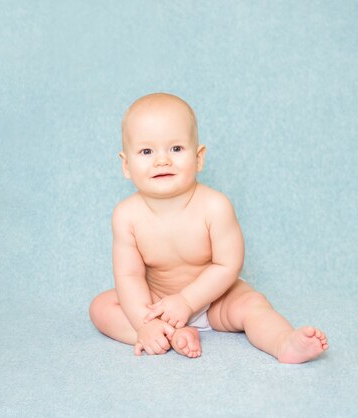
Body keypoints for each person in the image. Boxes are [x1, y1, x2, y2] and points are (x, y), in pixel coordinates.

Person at [89, 93, 328, 363]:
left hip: (215, 299)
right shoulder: (126, 216)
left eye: (176, 149)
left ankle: (283, 342)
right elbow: (129, 276)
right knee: (102, 308)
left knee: (253, 304)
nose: (162, 160)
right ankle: (162, 333)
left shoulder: (215, 206)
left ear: (199, 157)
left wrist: (188, 302)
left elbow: (228, 265)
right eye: (146, 151)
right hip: (158, 300)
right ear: (126, 165)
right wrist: (144, 322)